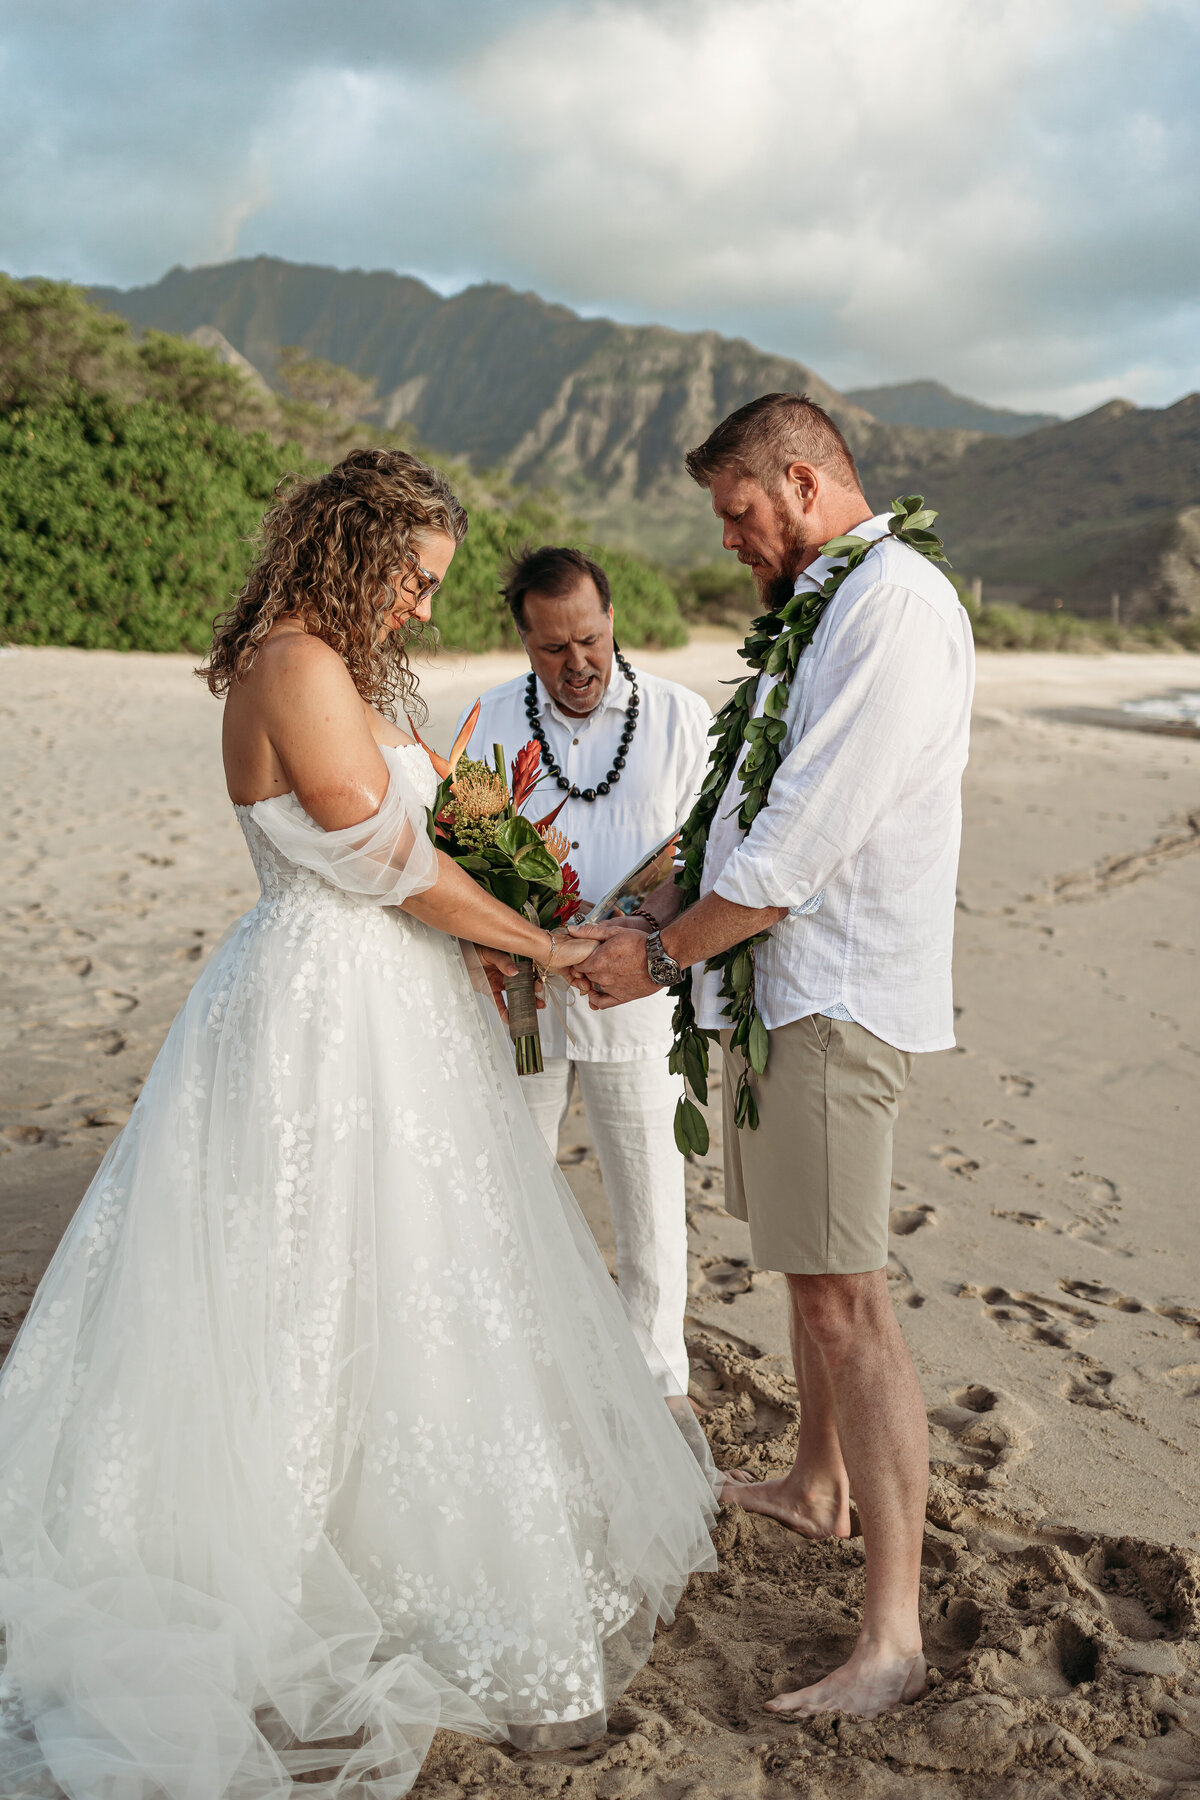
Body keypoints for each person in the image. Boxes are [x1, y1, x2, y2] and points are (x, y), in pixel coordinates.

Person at [0, 449, 720, 1800]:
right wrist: (536, 940)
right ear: (352, 547)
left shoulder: (349, 671)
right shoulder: (289, 663)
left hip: (392, 1008)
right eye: (414, 579)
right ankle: (271, 1575)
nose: (423, 609)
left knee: (416, 1281)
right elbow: (381, 858)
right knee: (305, 1280)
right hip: (318, 1011)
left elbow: (429, 830)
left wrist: (495, 917)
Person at [569, 394, 975, 1721]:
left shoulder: (891, 606)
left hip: (833, 997)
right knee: (808, 1278)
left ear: (801, 484)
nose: (734, 542)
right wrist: (640, 896)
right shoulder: (822, 608)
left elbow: (800, 846)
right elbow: (742, 797)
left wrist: (663, 955)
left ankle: (895, 1635)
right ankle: (815, 1486)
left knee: (846, 1297)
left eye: (741, 515)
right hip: (778, 991)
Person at [454, 546, 712, 1396]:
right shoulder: (486, 723)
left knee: (649, 1206)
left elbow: (715, 857)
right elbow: (452, 860)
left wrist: (652, 928)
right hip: (521, 1003)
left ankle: (658, 1382)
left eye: (591, 640)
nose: (578, 665)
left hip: (634, 1003)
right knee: (509, 1191)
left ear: (613, 621)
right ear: (524, 641)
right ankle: (510, 1378)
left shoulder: (680, 720)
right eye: (554, 649)